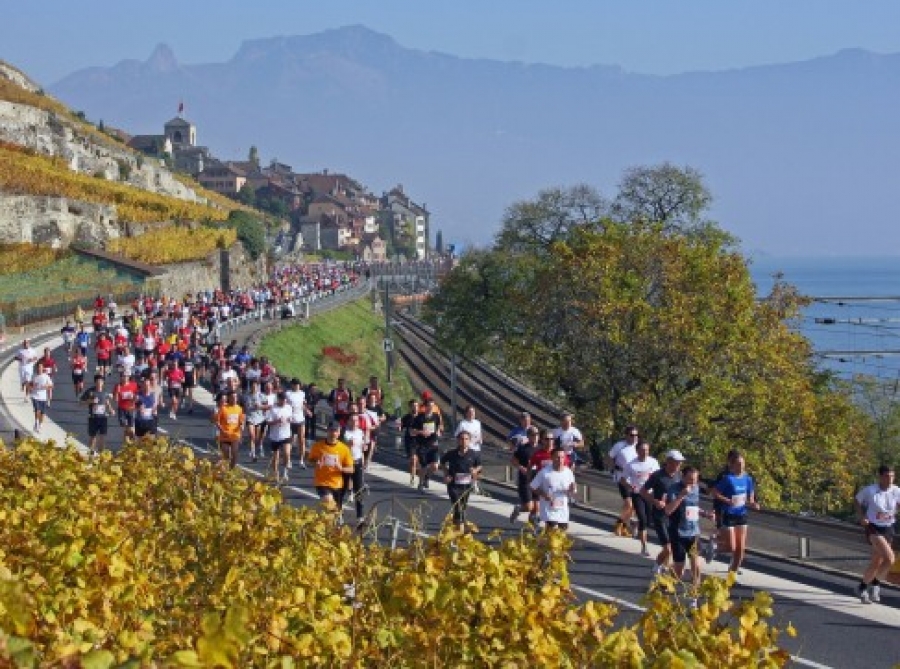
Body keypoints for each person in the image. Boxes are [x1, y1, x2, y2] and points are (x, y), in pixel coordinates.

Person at [665, 465, 714, 608]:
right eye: (690, 479)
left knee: (696, 566)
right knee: (678, 570)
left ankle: (694, 598)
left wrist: (705, 514)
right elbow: (668, 510)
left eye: (695, 480)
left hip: (693, 533)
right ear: (682, 476)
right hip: (678, 533)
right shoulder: (674, 489)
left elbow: (693, 507)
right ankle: (667, 588)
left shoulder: (696, 488)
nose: (693, 483)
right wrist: (681, 495)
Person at [854, 464, 900, 604]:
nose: (890, 479)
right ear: (880, 477)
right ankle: (875, 584)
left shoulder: (897, 490)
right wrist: (862, 517)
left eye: (892, 476)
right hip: (873, 527)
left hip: (888, 528)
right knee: (890, 558)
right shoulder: (870, 490)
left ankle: (862, 588)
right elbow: (857, 500)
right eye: (887, 476)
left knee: (876, 563)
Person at [711, 451, 759, 577]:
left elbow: (750, 495)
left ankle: (732, 574)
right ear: (732, 465)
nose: (741, 466)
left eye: (742, 464)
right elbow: (715, 492)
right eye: (738, 464)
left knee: (740, 548)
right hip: (729, 514)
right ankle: (714, 546)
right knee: (731, 547)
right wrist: (727, 500)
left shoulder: (748, 479)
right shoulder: (728, 479)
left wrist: (753, 503)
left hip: (741, 514)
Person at [641, 450, 686, 575]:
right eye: (676, 462)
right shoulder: (657, 476)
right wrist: (655, 501)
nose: (678, 465)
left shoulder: (679, 477)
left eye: (680, 463)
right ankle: (657, 566)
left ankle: (661, 568)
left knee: (672, 548)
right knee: (668, 547)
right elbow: (643, 491)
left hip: (674, 516)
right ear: (668, 461)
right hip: (660, 516)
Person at [308, 421, 355, 518]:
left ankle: (332, 525)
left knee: (334, 511)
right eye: (331, 430)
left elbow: (351, 469)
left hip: (337, 483)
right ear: (327, 431)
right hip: (322, 482)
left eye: (335, 431)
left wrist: (341, 468)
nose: (333, 433)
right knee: (329, 502)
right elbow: (310, 460)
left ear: (339, 432)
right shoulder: (318, 446)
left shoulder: (344, 449)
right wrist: (315, 463)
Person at [440, 431, 483, 531]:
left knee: (462, 508)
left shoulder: (474, 454)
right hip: (453, 485)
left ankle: (455, 529)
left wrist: (475, 471)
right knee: (458, 507)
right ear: (458, 441)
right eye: (462, 439)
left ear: (469, 441)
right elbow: (442, 462)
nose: (464, 441)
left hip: (466, 486)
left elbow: (480, 466)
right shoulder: (451, 453)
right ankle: (461, 531)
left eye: (466, 439)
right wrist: (446, 474)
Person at [623, 440, 660, 556]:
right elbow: (623, 479)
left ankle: (636, 523)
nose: (645, 452)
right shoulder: (631, 464)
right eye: (642, 450)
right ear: (637, 451)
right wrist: (630, 486)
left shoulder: (653, 462)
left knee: (649, 520)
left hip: (650, 494)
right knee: (643, 520)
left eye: (647, 450)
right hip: (637, 494)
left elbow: (658, 477)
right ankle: (644, 547)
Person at [530, 447, 577, 532]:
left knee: (562, 531)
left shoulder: (568, 472)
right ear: (551, 458)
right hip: (549, 507)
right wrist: (544, 495)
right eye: (557, 457)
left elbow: (572, 491)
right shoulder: (544, 472)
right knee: (552, 530)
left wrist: (572, 489)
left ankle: (542, 542)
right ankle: (546, 543)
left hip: (562, 507)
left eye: (562, 457)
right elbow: (533, 487)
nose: (560, 460)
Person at [607, 426, 640, 537]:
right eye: (631, 435)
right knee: (628, 503)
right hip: (622, 477)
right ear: (626, 435)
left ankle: (623, 526)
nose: (634, 437)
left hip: (635, 478)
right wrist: (613, 469)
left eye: (636, 435)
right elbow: (610, 457)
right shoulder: (619, 446)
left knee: (634, 506)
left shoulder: (639, 446)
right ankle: (619, 524)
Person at [509, 425, 540, 525]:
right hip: (525, 480)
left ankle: (532, 528)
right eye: (533, 434)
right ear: (529, 436)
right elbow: (513, 460)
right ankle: (518, 509)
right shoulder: (523, 448)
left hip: (537, 480)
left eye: (537, 434)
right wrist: (521, 467)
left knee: (536, 508)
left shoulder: (540, 449)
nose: (535, 436)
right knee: (528, 507)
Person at [341, 413, 368, 525]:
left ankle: (360, 516)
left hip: (357, 463)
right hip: (346, 463)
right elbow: (340, 445)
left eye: (356, 420)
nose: (354, 422)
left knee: (359, 489)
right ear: (348, 421)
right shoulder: (344, 432)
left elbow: (363, 447)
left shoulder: (361, 432)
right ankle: (338, 514)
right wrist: (347, 443)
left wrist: (364, 448)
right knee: (341, 489)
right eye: (352, 420)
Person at [412, 397, 443, 491]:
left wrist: (438, 431)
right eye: (429, 406)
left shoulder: (436, 416)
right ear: (425, 407)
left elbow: (439, 426)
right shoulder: (419, 417)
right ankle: (420, 484)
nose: (431, 408)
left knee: (435, 466)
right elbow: (412, 431)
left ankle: (427, 478)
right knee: (424, 466)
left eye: (432, 406)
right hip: (422, 445)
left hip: (433, 445)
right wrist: (421, 432)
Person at [82, 374, 113, 455]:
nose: (99, 383)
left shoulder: (105, 391)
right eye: (98, 381)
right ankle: (91, 453)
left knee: (103, 436)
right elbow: (81, 402)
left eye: (101, 381)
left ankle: (101, 453)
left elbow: (106, 401)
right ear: (95, 382)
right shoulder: (90, 391)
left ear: (103, 382)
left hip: (103, 417)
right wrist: (90, 401)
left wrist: (110, 409)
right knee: (93, 436)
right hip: (93, 417)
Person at [266, 392, 293, 483]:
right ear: (279, 399)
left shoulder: (288, 407)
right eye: (282, 400)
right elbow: (268, 422)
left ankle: (285, 472)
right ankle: (275, 472)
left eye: (285, 400)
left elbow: (290, 417)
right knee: (276, 457)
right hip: (275, 436)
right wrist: (277, 421)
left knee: (286, 453)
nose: (284, 402)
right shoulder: (273, 409)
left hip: (286, 434)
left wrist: (289, 419)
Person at [215, 389, 245, 469]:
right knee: (226, 455)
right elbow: (217, 422)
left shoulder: (239, 409)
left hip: (235, 436)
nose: (235, 399)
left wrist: (241, 428)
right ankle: (224, 470)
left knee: (235, 455)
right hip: (224, 436)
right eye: (232, 397)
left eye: (236, 397)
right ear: (229, 398)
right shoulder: (223, 409)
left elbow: (241, 421)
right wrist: (222, 431)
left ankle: (231, 471)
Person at [285, 378, 307, 469]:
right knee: (289, 441)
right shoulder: (288, 393)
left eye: (299, 384)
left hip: (300, 419)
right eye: (296, 384)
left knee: (301, 440)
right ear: (292, 385)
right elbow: (285, 405)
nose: (298, 386)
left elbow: (302, 404)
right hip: (291, 420)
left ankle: (301, 460)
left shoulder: (302, 393)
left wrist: (307, 410)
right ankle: (288, 460)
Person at [27, 361, 53, 434]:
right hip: (35, 396)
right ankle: (36, 422)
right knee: (37, 410)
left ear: (43, 368)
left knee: (42, 413)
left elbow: (51, 386)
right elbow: (30, 384)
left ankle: (40, 424)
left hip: (43, 397)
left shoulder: (46, 376)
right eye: (38, 367)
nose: (39, 369)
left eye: (41, 367)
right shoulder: (34, 376)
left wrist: (46, 386)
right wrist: (30, 388)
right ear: (37, 368)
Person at [113, 371, 138, 442]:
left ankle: (133, 443)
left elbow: (137, 396)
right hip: (122, 409)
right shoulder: (117, 386)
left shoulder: (134, 385)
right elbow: (116, 400)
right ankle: (127, 445)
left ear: (129, 377)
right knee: (125, 428)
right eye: (123, 376)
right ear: (120, 377)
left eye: (126, 376)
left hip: (131, 409)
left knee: (131, 428)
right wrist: (117, 391)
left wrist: (134, 399)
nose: (125, 378)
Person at [401, 399, 421, 486]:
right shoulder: (406, 418)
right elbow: (401, 426)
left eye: (417, 406)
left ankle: (421, 478)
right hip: (410, 442)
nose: (415, 408)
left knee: (419, 462)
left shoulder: (422, 417)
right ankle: (412, 479)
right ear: (410, 407)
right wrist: (399, 426)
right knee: (413, 460)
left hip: (420, 442)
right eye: (413, 406)